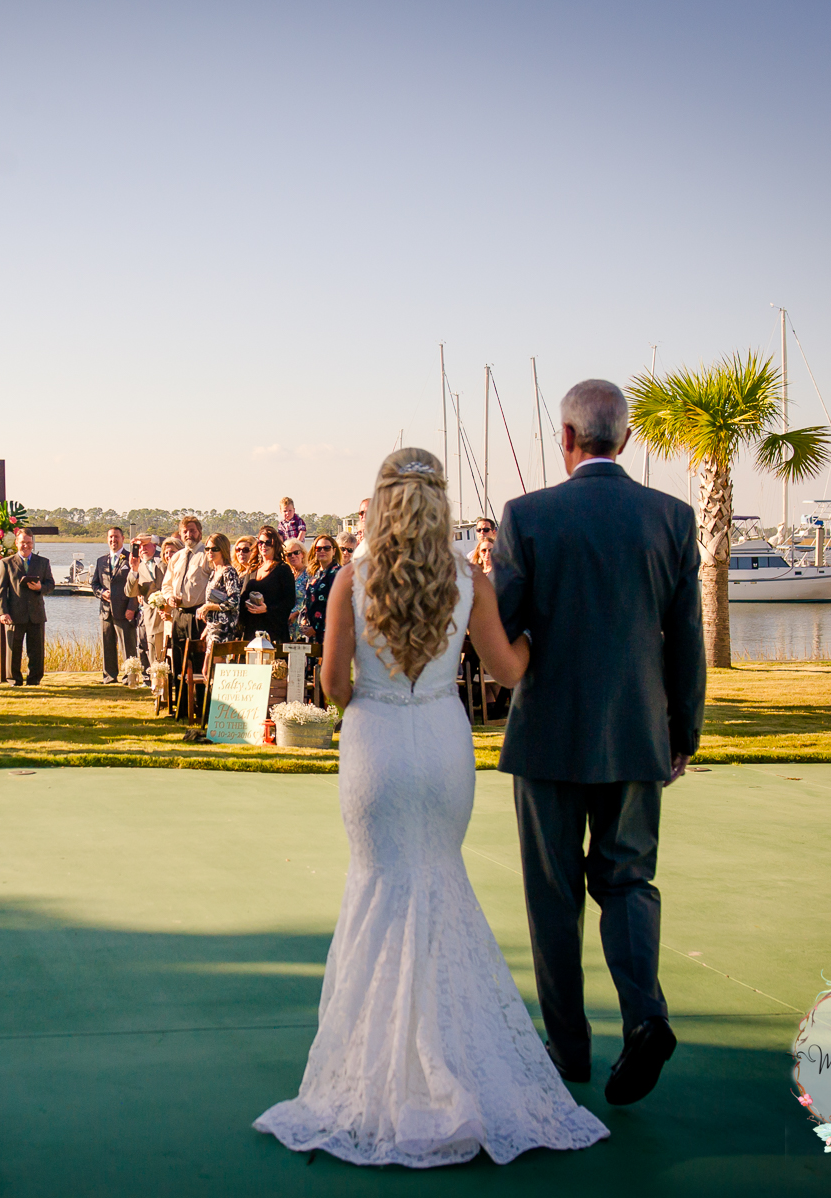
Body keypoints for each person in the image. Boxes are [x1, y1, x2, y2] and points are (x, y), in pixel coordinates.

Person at [255, 447, 608, 1167]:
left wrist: (367, 689)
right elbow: (507, 670)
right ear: (440, 505)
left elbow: (333, 687)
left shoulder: (351, 581)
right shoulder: (467, 580)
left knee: (379, 892)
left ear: (379, 504)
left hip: (378, 748)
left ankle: (375, 1074)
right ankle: (452, 1062)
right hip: (444, 746)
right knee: (439, 884)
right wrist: (538, 636)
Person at [492, 379, 705, 1106]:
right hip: (639, 734)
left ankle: (568, 1048)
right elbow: (688, 640)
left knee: (553, 897)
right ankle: (645, 1018)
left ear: (567, 439)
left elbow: (507, 627)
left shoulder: (528, 516)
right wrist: (685, 729)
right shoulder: (671, 518)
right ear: (627, 441)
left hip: (548, 733)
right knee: (628, 883)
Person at [159, 516, 210, 719]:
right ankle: (181, 710)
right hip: (178, 615)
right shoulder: (177, 557)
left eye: (192, 530)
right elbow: (166, 584)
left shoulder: (206, 555)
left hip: (198, 616)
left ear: (199, 532)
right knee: (179, 663)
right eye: (185, 531)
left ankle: (200, 709)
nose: (189, 534)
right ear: (180, 534)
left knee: (198, 663)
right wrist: (169, 597)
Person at [0, 530, 54, 686]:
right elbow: (1, 590)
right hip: (15, 614)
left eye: (28, 542)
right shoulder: (6, 563)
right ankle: (14, 680)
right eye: (23, 542)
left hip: (36, 614)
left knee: (36, 651)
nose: (26, 545)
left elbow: (51, 584)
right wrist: (3, 612)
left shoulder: (43, 562)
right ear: (16, 543)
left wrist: (41, 587)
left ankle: (34, 680)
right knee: (13, 650)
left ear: (32, 543)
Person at [91, 526, 137, 683]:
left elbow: (136, 585)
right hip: (105, 611)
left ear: (123, 539)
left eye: (116, 537)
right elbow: (95, 584)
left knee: (128, 646)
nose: (113, 540)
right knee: (107, 646)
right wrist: (101, 593)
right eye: (111, 537)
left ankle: (129, 676)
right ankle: (109, 676)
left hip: (124, 611)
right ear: (107, 539)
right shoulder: (101, 561)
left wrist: (132, 607)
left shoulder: (131, 558)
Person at [239, 526, 296, 644]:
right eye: (260, 542)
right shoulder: (252, 569)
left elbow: (289, 601)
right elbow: (242, 598)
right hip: (252, 629)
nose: (263, 546)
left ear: (275, 544)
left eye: (268, 542)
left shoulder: (283, 569)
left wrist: (267, 609)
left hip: (274, 630)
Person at [126, 535, 166, 676]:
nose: (142, 549)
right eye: (139, 546)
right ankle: (157, 684)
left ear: (154, 545)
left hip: (170, 617)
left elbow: (177, 545)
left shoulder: (165, 560)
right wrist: (134, 569)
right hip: (152, 620)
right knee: (154, 653)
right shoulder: (138, 567)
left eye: (145, 545)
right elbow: (130, 592)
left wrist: (153, 538)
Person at [196, 534, 240, 646]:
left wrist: (208, 606)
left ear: (223, 550)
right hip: (212, 625)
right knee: (207, 662)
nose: (210, 552)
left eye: (215, 549)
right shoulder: (213, 573)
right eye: (207, 549)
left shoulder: (228, 572)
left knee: (215, 661)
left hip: (223, 627)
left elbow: (234, 601)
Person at [303, 535, 340, 643]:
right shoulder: (314, 574)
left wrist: (317, 628)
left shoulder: (337, 573)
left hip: (329, 633)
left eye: (327, 548)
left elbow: (337, 605)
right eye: (318, 548)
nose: (322, 551)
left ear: (334, 551)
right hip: (312, 634)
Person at [283, 538, 308, 638]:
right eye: (289, 554)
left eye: (296, 552)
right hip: (285, 624)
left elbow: (309, 599)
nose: (293, 556)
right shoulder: (285, 575)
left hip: (301, 623)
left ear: (302, 554)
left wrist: (296, 613)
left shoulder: (309, 574)